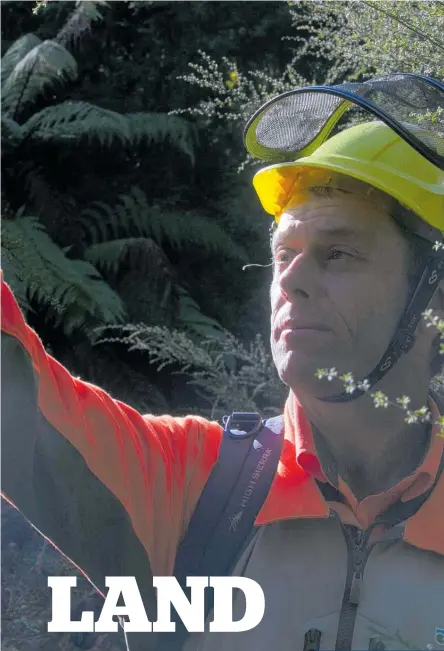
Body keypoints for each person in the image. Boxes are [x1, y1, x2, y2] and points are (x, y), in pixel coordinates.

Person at [2, 76, 444, 651]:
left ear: (432, 296)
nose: (289, 280)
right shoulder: (194, 482)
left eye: (338, 253)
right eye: (284, 253)